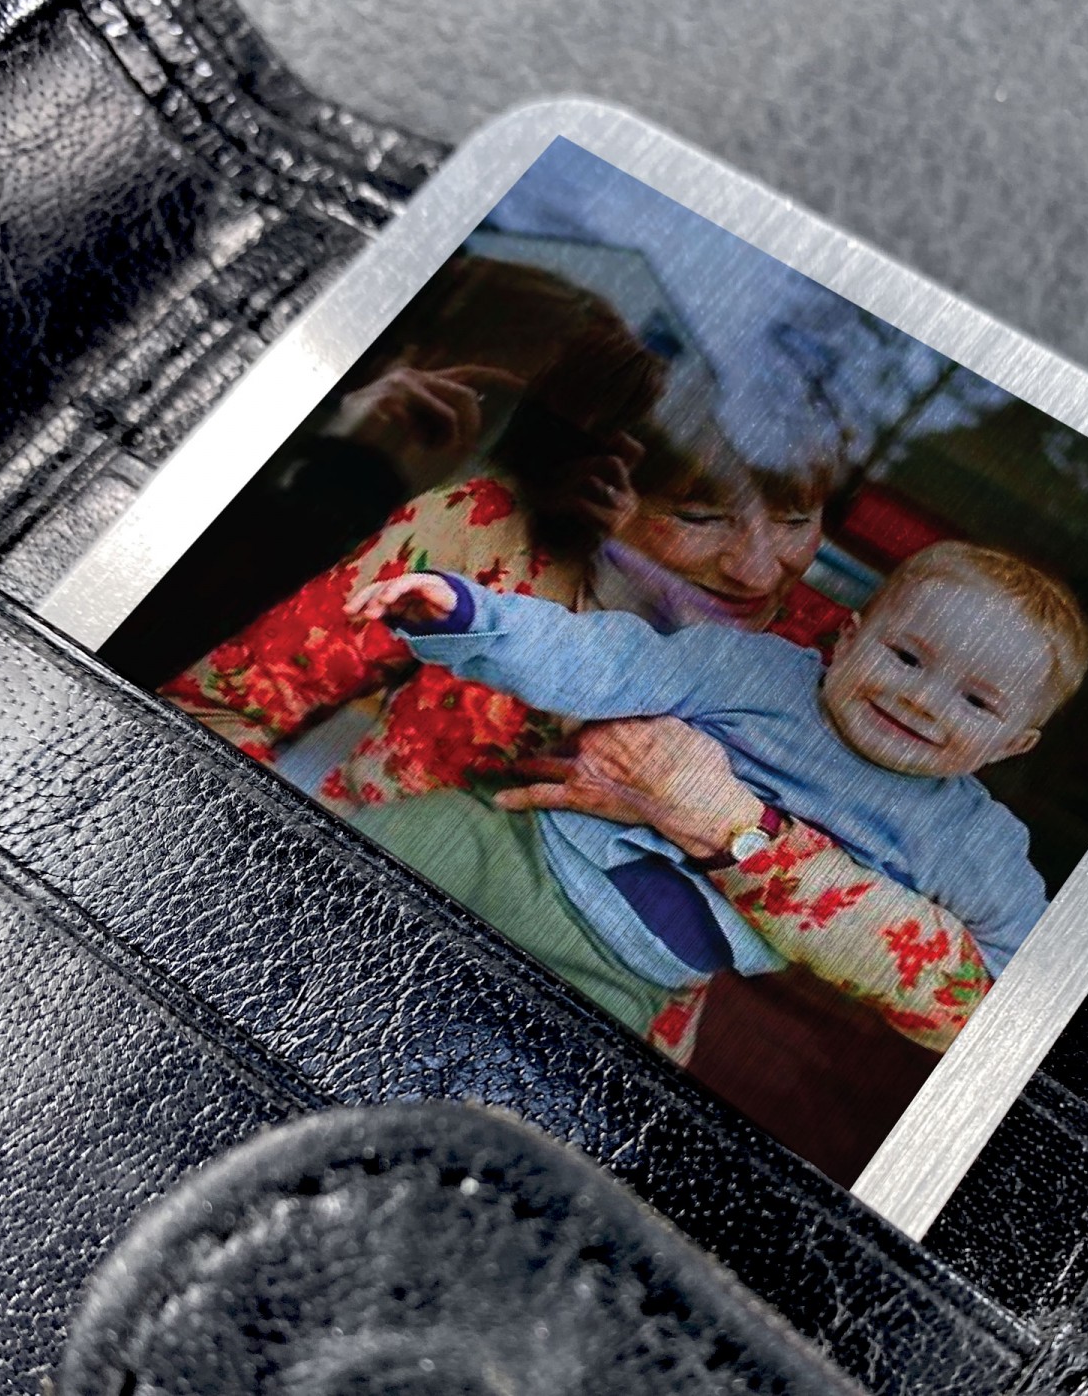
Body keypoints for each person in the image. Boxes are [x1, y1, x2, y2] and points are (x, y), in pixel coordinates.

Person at [162, 393, 997, 1062]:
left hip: (580, 1026)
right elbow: (222, 708)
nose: (756, 567)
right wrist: (250, 900)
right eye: (700, 515)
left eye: (793, 519)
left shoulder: (845, 661)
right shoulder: (487, 535)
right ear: (609, 482)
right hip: (365, 911)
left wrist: (729, 828)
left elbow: (973, 1012)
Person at [342, 543, 1088, 1037]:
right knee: (352, 872)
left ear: (1013, 745)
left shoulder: (970, 838)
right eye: (906, 656)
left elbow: (1028, 978)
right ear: (849, 638)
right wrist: (474, 616)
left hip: (621, 974)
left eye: (978, 702)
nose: (922, 700)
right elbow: (603, 660)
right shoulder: (751, 671)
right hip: (508, 851)